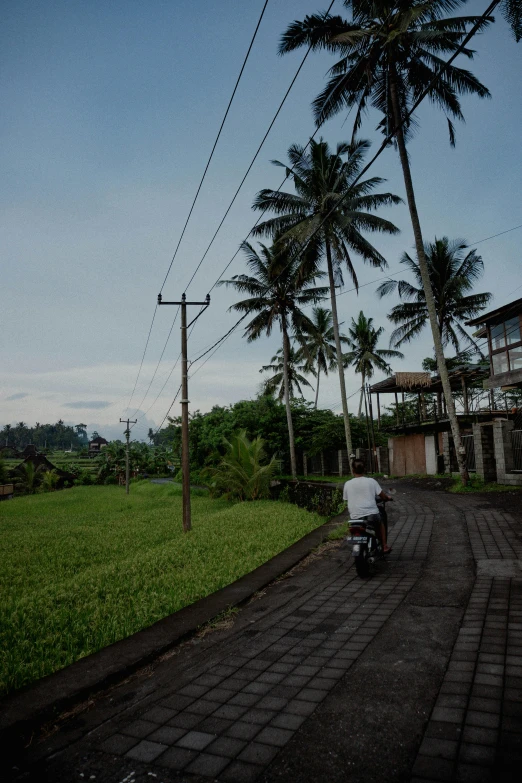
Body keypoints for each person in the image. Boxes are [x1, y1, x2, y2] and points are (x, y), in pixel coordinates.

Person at [343, 459, 393, 553]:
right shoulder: (371, 481)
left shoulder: (347, 484)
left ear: (353, 470)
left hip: (355, 517)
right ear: (364, 470)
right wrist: (387, 498)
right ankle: (384, 546)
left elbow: (346, 499)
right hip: (372, 515)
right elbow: (382, 496)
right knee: (381, 523)